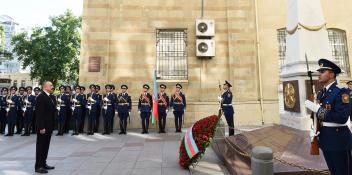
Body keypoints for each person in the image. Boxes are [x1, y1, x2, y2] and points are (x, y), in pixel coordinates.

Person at [305, 59, 352, 175]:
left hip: (338, 139)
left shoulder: (341, 92)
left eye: (322, 71)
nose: (319, 74)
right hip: (325, 138)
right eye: (319, 71)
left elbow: (342, 117)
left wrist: (318, 109)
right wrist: (314, 129)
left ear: (332, 74)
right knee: (333, 171)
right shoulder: (321, 93)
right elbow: (318, 117)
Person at [34, 81, 55, 174]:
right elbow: (39, 114)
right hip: (43, 127)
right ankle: (38, 166)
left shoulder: (50, 96)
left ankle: (43, 163)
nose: (52, 87)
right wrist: (41, 127)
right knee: (41, 146)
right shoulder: (41, 97)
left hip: (49, 126)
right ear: (45, 87)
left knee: (46, 146)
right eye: (51, 85)